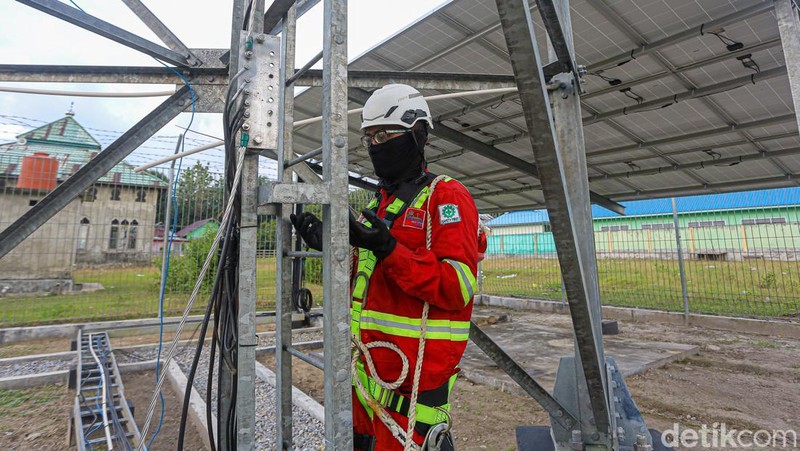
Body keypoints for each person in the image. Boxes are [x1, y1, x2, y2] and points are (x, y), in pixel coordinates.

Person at [291, 84, 482, 450]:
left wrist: (388, 247)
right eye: (369, 137)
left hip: (412, 387)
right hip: (368, 377)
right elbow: (368, 279)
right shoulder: (383, 203)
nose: (376, 145)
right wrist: (331, 248)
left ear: (419, 134)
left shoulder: (446, 196)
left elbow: (457, 287)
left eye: (384, 134)